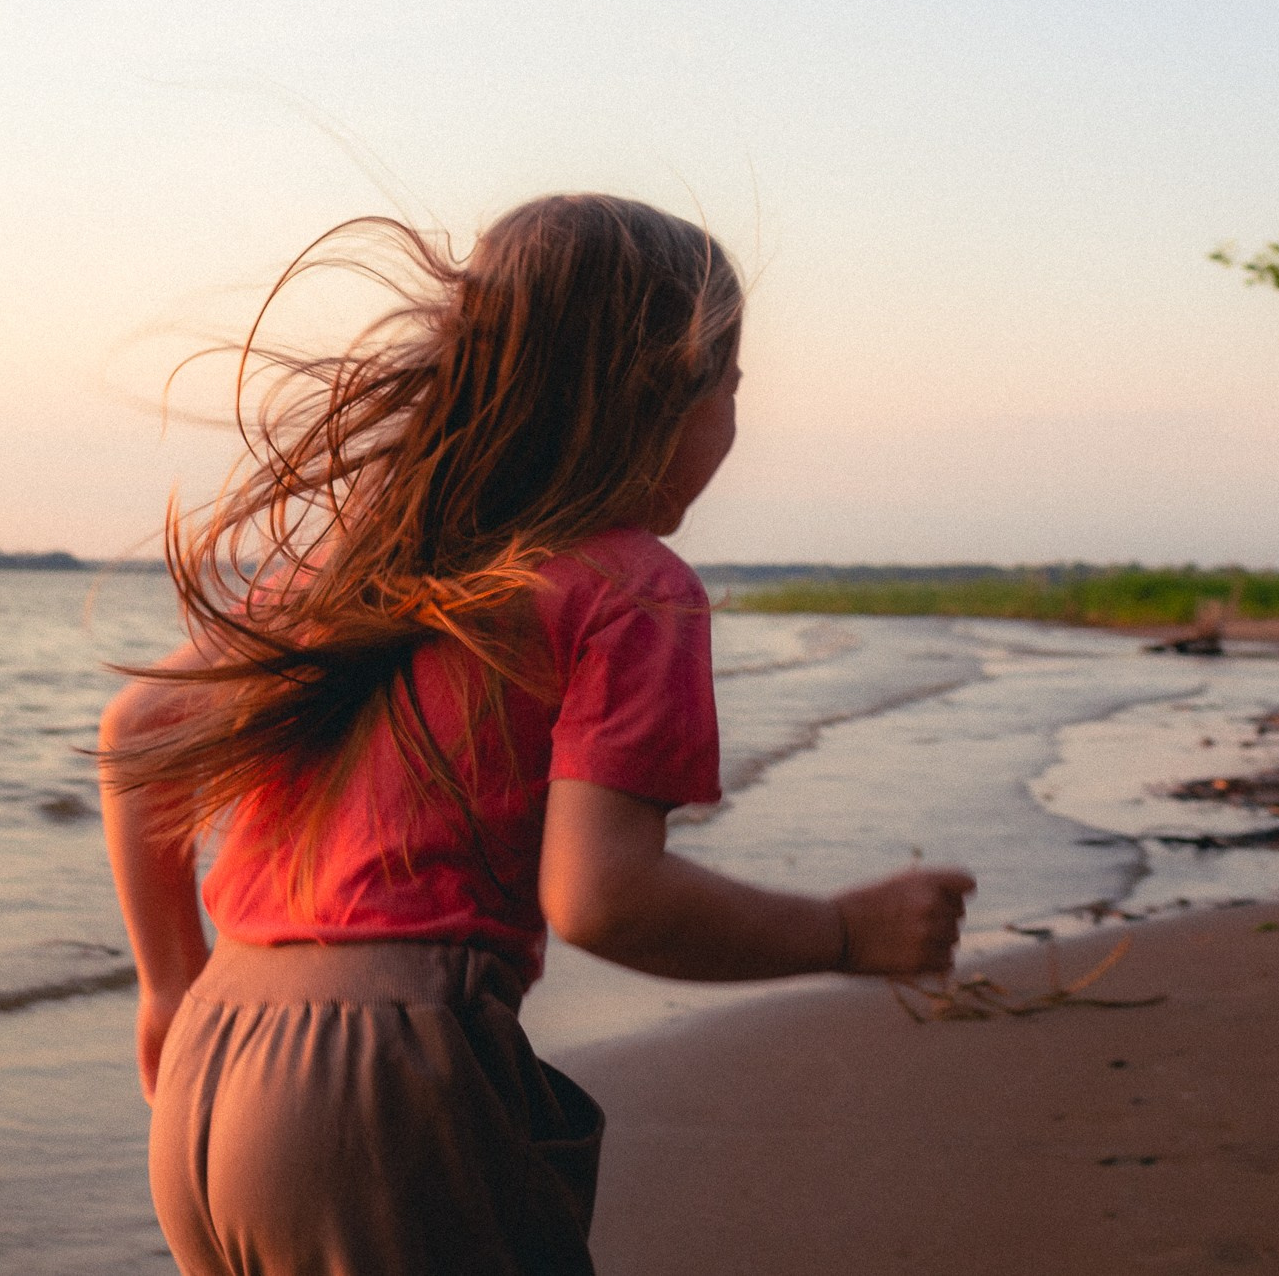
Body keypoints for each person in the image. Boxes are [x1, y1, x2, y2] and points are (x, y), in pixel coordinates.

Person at [97, 195, 973, 1276]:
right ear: (667, 391)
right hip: (382, 1083)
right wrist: (844, 936)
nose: (733, 427)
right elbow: (603, 896)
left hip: (210, 1068)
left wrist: (169, 986)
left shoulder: (363, 564)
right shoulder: (631, 588)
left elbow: (140, 727)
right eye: (730, 391)